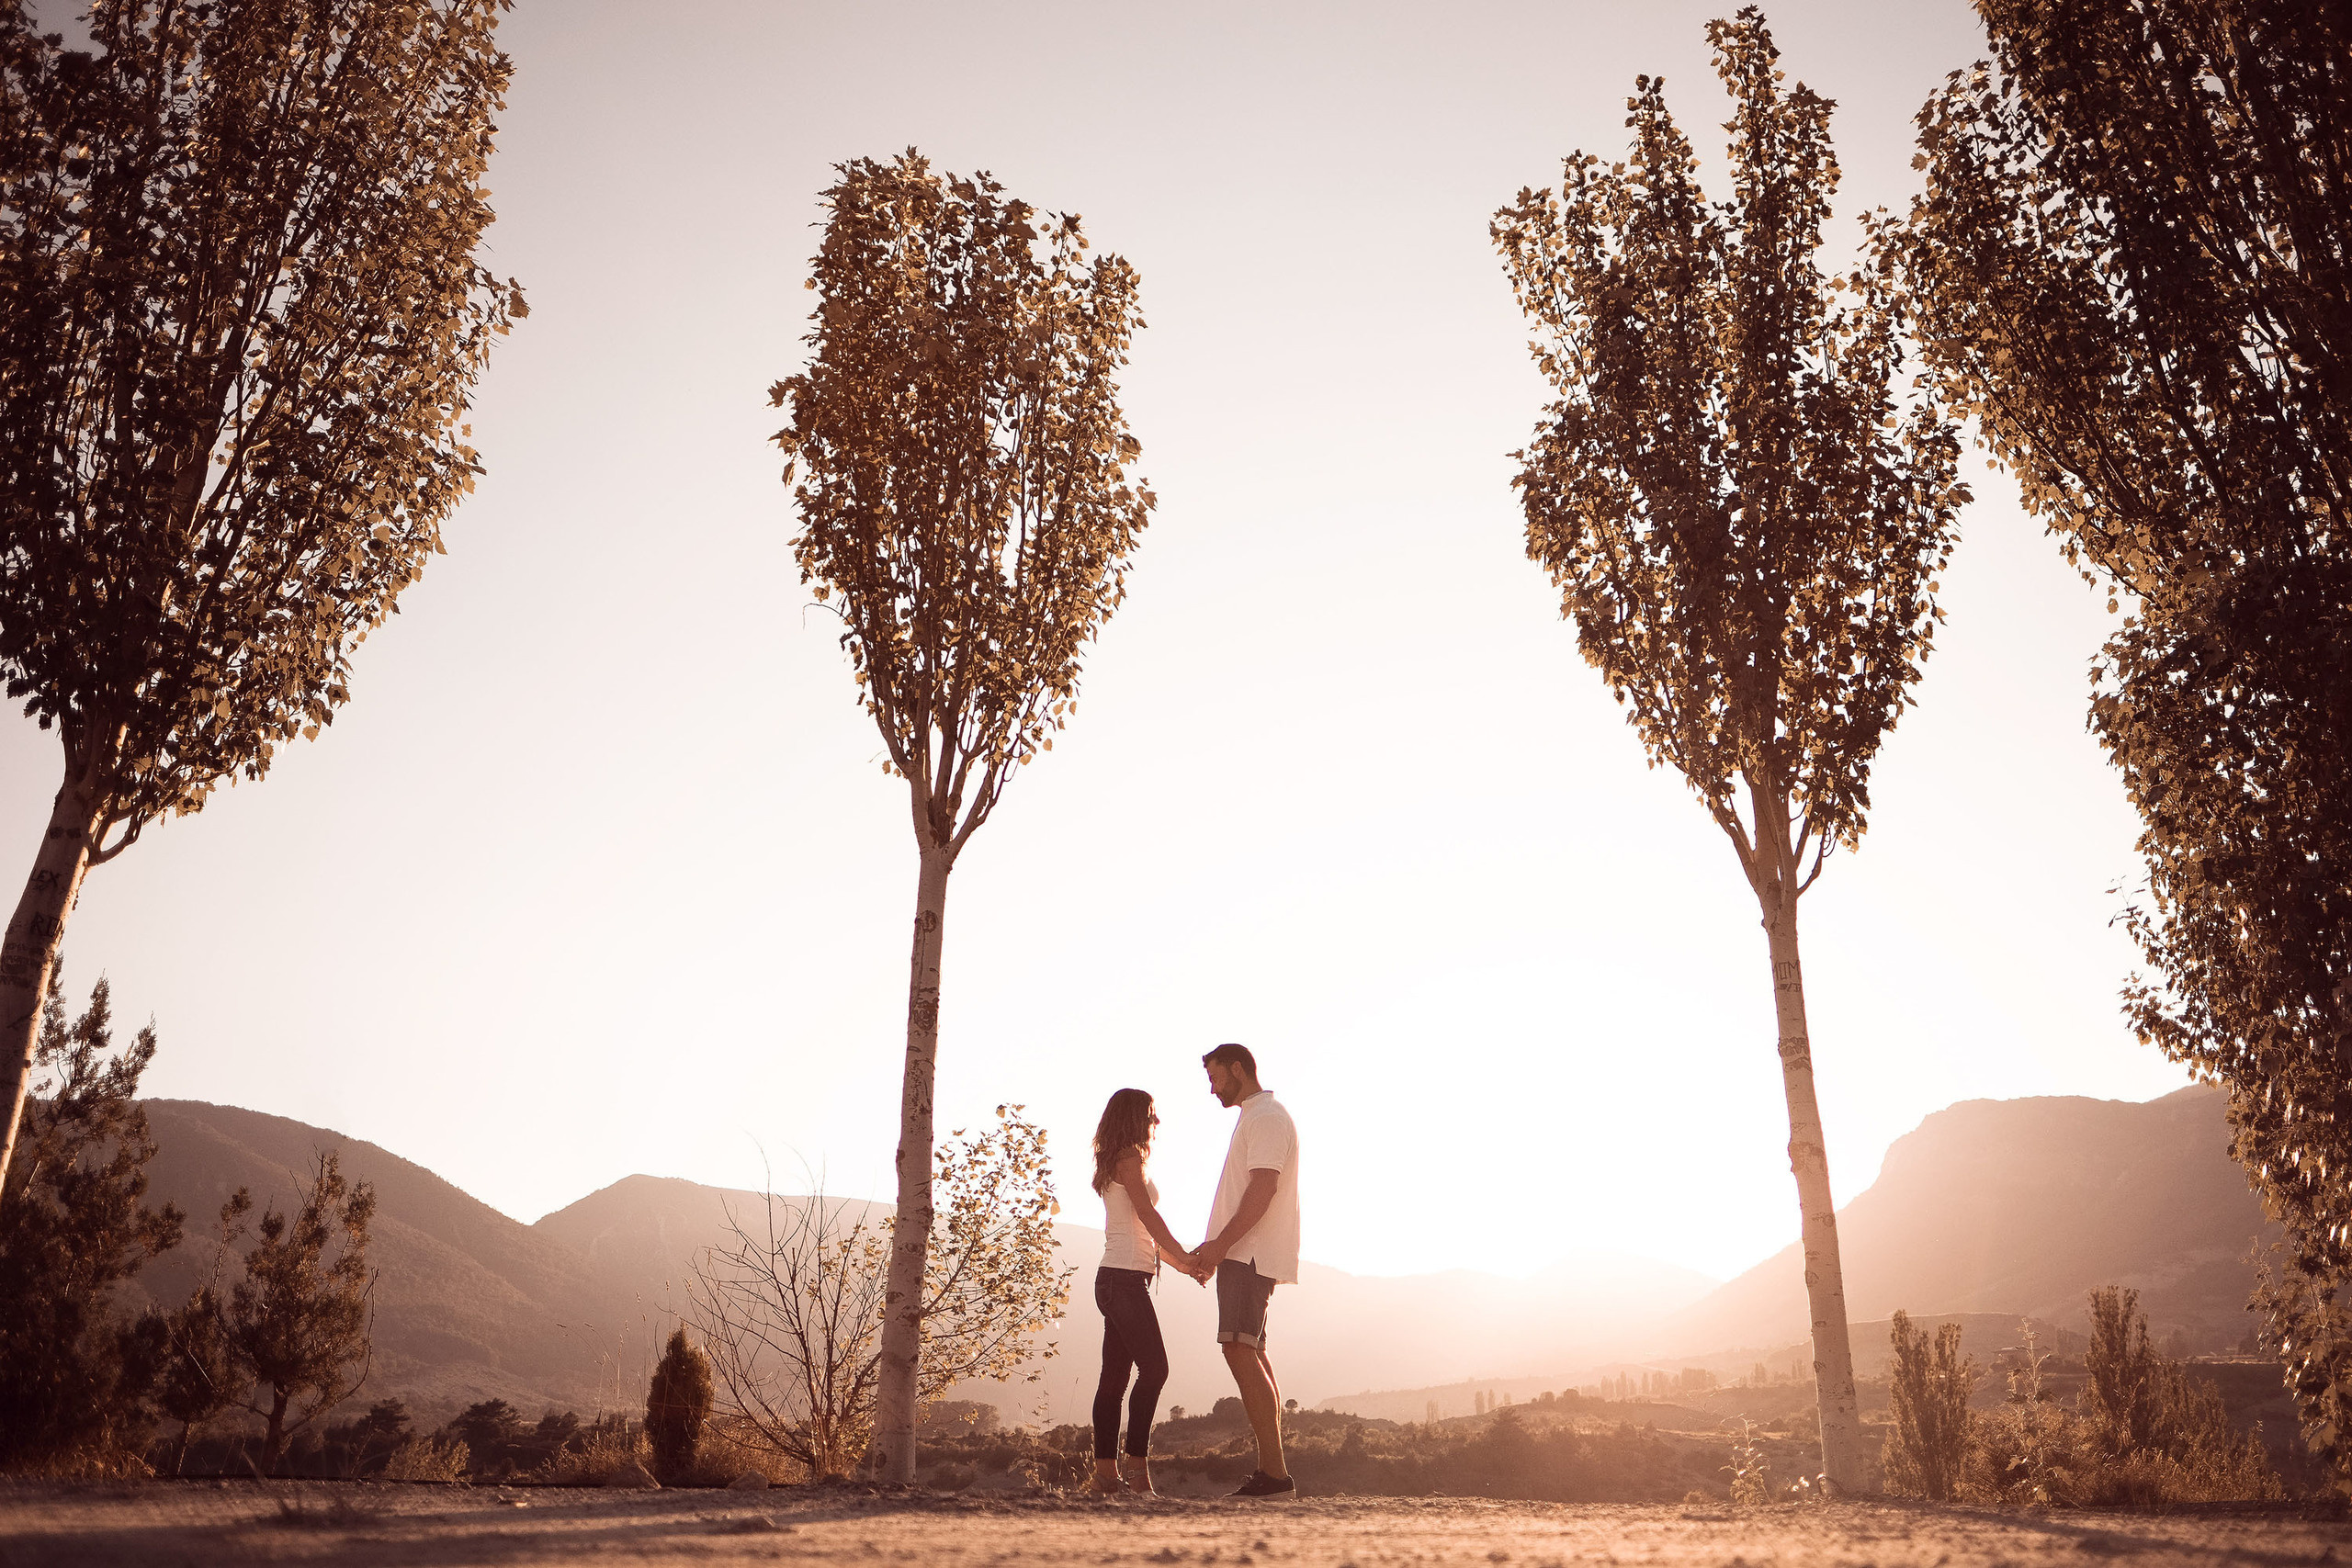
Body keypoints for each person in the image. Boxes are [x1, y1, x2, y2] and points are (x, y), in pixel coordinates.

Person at [1193, 1043, 1299, 1498]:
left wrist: (1219, 1246)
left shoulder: (1267, 1118)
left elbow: (1262, 1190)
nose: (1212, 1089)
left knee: (1239, 1350)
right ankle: (1273, 1472)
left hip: (1246, 1255)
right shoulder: (1257, 1116)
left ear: (1238, 1068)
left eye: (1216, 1078)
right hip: (1246, 1253)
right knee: (1250, 1351)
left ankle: (1274, 1476)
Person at [1087, 1088, 1201, 1495]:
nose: (1157, 1122)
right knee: (1155, 1370)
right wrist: (1185, 1254)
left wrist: (1185, 1266)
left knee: (1115, 1380)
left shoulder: (1120, 1159)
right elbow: (1150, 1218)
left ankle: (1105, 1476)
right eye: (1152, 1114)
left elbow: (1142, 1235)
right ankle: (1136, 1474)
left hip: (1121, 1279)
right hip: (1122, 1281)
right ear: (1136, 1117)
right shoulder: (1129, 1158)